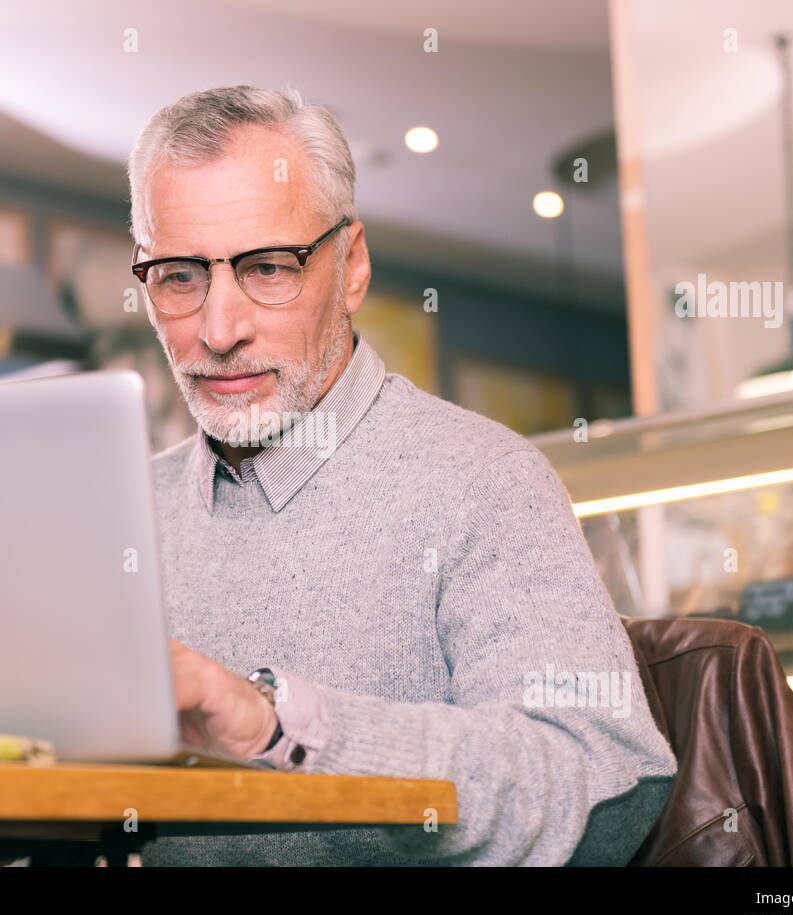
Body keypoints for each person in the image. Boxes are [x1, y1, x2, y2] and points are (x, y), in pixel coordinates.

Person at [127, 85, 677, 865]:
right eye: (180, 276)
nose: (218, 330)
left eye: (268, 269)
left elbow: (598, 784)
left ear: (350, 267)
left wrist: (286, 728)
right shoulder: (124, 514)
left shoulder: (484, 480)